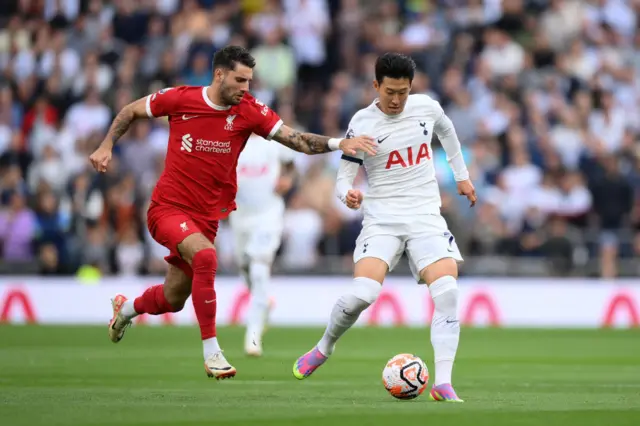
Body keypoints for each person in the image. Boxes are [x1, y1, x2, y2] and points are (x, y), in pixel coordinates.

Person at [88, 45, 376, 380]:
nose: (246, 88)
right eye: (240, 80)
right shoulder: (181, 99)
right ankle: (213, 353)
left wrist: (337, 143)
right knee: (207, 257)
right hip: (167, 208)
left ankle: (125, 309)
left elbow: (294, 139)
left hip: (206, 219)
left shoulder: (249, 110)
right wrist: (106, 145)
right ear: (219, 74)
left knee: (172, 298)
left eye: (250, 81)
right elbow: (130, 111)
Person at [291, 53, 477, 402]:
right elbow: (343, 179)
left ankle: (443, 383)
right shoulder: (362, 123)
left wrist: (462, 178)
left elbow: (448, 134)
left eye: (403, 92)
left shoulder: (426, 108)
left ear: (411, 88)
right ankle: (324, 346)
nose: (396, 100)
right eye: (390, 91)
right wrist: (348, 195)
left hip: (425, 217)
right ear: (376, 85)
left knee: (448, 292)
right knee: (363, 295)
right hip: (382, 219)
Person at [228, 133, 296, 356]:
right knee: (246, 267)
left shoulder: (274, 140)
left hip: (268, 215)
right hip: (239, 216)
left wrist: (287, 179)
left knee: (258, 269)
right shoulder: (232, 139)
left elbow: (290, 163)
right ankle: (264, 302)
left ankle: (253, 336)